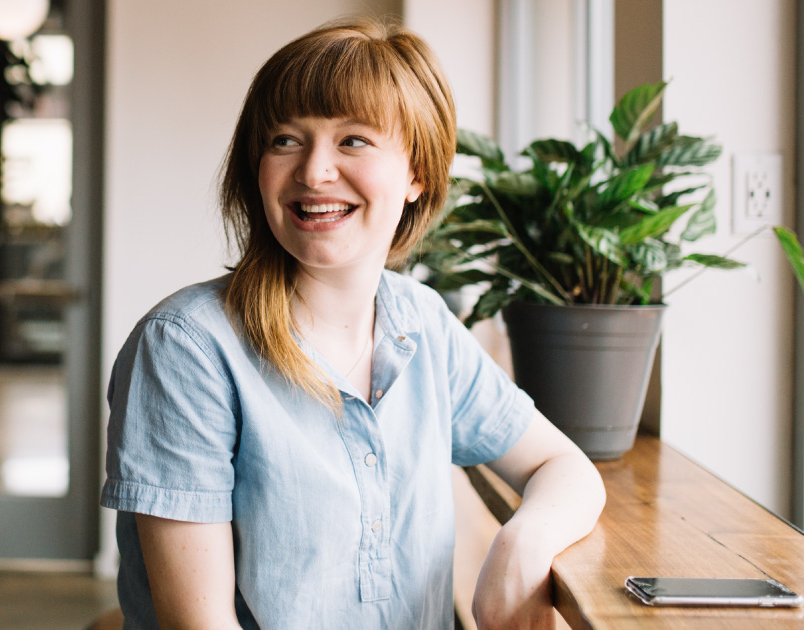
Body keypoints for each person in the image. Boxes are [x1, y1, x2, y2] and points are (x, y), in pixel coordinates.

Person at [101, 17, 606, 630]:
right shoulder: (186, 347)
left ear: (417, 171)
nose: (313, 172)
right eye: (285, 140)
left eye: (353, 141)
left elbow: (565, 468)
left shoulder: (420, 321)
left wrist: (522, 542)